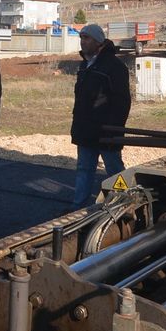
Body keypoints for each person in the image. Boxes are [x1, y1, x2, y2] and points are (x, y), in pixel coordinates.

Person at [70, 23, 132, 209]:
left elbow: (122, 102)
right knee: (84, 170)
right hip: (86, 129)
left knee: (114, 171)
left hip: (107, 131)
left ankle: (125, 204)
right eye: (81, 38)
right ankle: (78, 209)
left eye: (87, 38)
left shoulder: (114, 66)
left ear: (98, 41)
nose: (83, 42)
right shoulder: (85, 65)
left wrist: (114, 129)